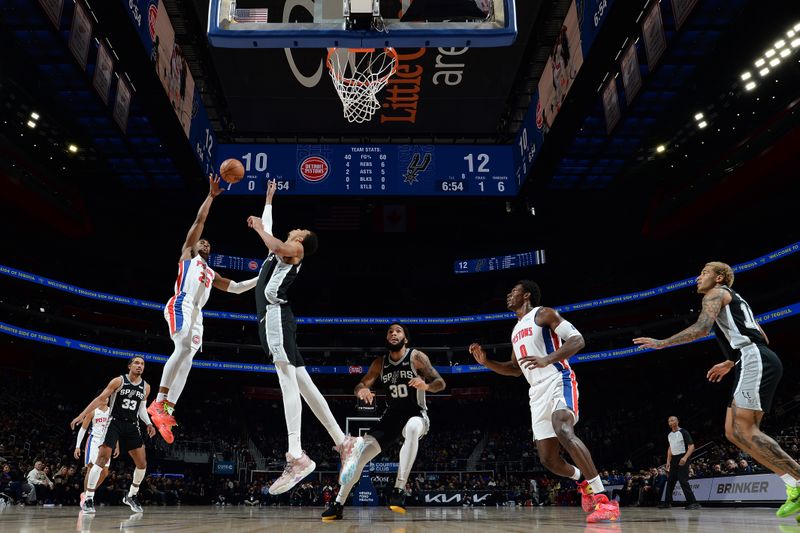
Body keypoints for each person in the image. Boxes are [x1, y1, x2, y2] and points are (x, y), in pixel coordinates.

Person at [634, 261, 800, 520]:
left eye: (703, 273)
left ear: (720, 278)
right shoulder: (735, 300)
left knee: (747, 430)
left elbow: (701, 329)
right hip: (749, 357)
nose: (697, 278)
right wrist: (732, 361)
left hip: (754, 357)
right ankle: (793, 485)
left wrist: (662, 343)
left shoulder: (715, 293)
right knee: (733, 432)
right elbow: (763, 335)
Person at [469, 280, 620, 523]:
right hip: (535, 392)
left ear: (526, 295)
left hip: (558, 378)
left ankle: (604, 499)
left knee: (562, 427)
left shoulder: (544, 314)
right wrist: (486, 362)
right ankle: (583, 481)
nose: (509, 294)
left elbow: (577, 340)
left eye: (514, 291)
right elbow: (516, 369)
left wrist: (548, 359)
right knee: (548, 460)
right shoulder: (516, 329)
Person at [247, 179, 359, 496]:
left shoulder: (294, 250)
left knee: (287, 381)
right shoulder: (278, 251)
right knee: (304, 384)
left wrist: (258, 229)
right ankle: (343, 441)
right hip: (275, 320)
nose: (295, 230)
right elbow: (270, 232)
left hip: (276, 318)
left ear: (302, 241)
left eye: (299, 232)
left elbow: (274, 242)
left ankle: (296, 455)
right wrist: (268, 200)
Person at [147, 175, 258, 444]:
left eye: (208, 244)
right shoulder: (187, 256)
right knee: (182, 347)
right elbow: (199, 222)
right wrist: (211, 196)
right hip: (181, 303)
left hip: (198, 316)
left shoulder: (211, 272)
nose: (205, 244)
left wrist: (264, 275)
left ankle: (167, 410)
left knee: (188, 359)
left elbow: (238, 287)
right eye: (202, 242)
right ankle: (158, 401)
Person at [321, 323, 447, 521]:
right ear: (387, 338)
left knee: (413, 427)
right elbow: (361, 384)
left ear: (405, 338)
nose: (393, 333)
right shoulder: (380, 363)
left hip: (416, 413)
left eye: (398, 331)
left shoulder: (416, 357)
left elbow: (441, 383)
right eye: (390, 331)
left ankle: (398, 490)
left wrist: (427, 385)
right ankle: (338, 504)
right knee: (359, 458)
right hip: (391, 417)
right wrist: (361, 390)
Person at [70, 356, 157, 514]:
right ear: (129, 366)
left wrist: (149, 423)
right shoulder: (118, 381)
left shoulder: (146, 387)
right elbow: (100, 398)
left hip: (132, 425)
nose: (140, 366)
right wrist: (82, 415)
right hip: (114, 422)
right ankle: (89, 497)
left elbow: (142, 409)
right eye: (136, 363)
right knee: (101, 460)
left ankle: (131, 495)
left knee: (142, 463)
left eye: (142, 364)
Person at [74, 398, 118, 507]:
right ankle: (87, 498)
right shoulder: (93, 412)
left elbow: (115, 429)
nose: (106, 398)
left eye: (108, 397)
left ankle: (87, 493)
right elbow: (83, 429)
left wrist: (117, 445)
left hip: (107, 442)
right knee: (91, 469)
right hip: (94, 441)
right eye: (104, 396)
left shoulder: (112, 412)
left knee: (104, 472)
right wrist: (77, 446)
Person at [658, 416, 700, 509]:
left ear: (677, 421)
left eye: (672, 420)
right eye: (669, 421)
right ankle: (667, 503)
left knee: (683, 480)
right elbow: (670, 448)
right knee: (670, 481)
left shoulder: (683, 432)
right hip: (674, 459)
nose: (670, 422)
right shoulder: (669, 435)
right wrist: (668, 461)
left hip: (683, 457)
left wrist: (685, 457)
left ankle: (694, 503)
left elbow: (692, 446)